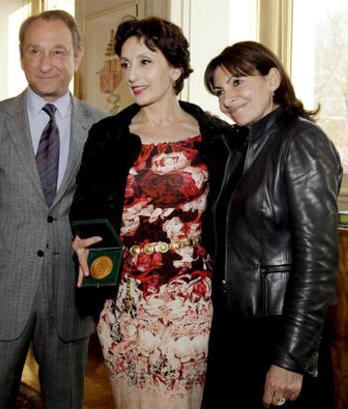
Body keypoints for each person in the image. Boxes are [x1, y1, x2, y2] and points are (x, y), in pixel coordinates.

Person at [0, 10, 106, 408]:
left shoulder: (101, 128)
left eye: (57, 51)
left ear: (77, 56)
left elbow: (106, 219)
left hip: (69, 301)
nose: (46, 63)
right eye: (34, 51)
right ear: (21, 56)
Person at [70, 16, 225, 409]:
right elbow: (85, 209)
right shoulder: (107, 136)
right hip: (123, 302)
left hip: (191, 301)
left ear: (175, 68)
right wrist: (82, 241)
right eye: (125, 63)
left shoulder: (216, 136)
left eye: (144, 61)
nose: (131, 75)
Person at [201, 40, 342, 409]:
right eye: (219, 90)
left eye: (237, 82)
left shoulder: (302, 141)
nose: (227, 99)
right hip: (235, 330)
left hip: (278, 331)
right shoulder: (241, 147)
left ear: (273, 79)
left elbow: (318, 263)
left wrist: (290, 358)